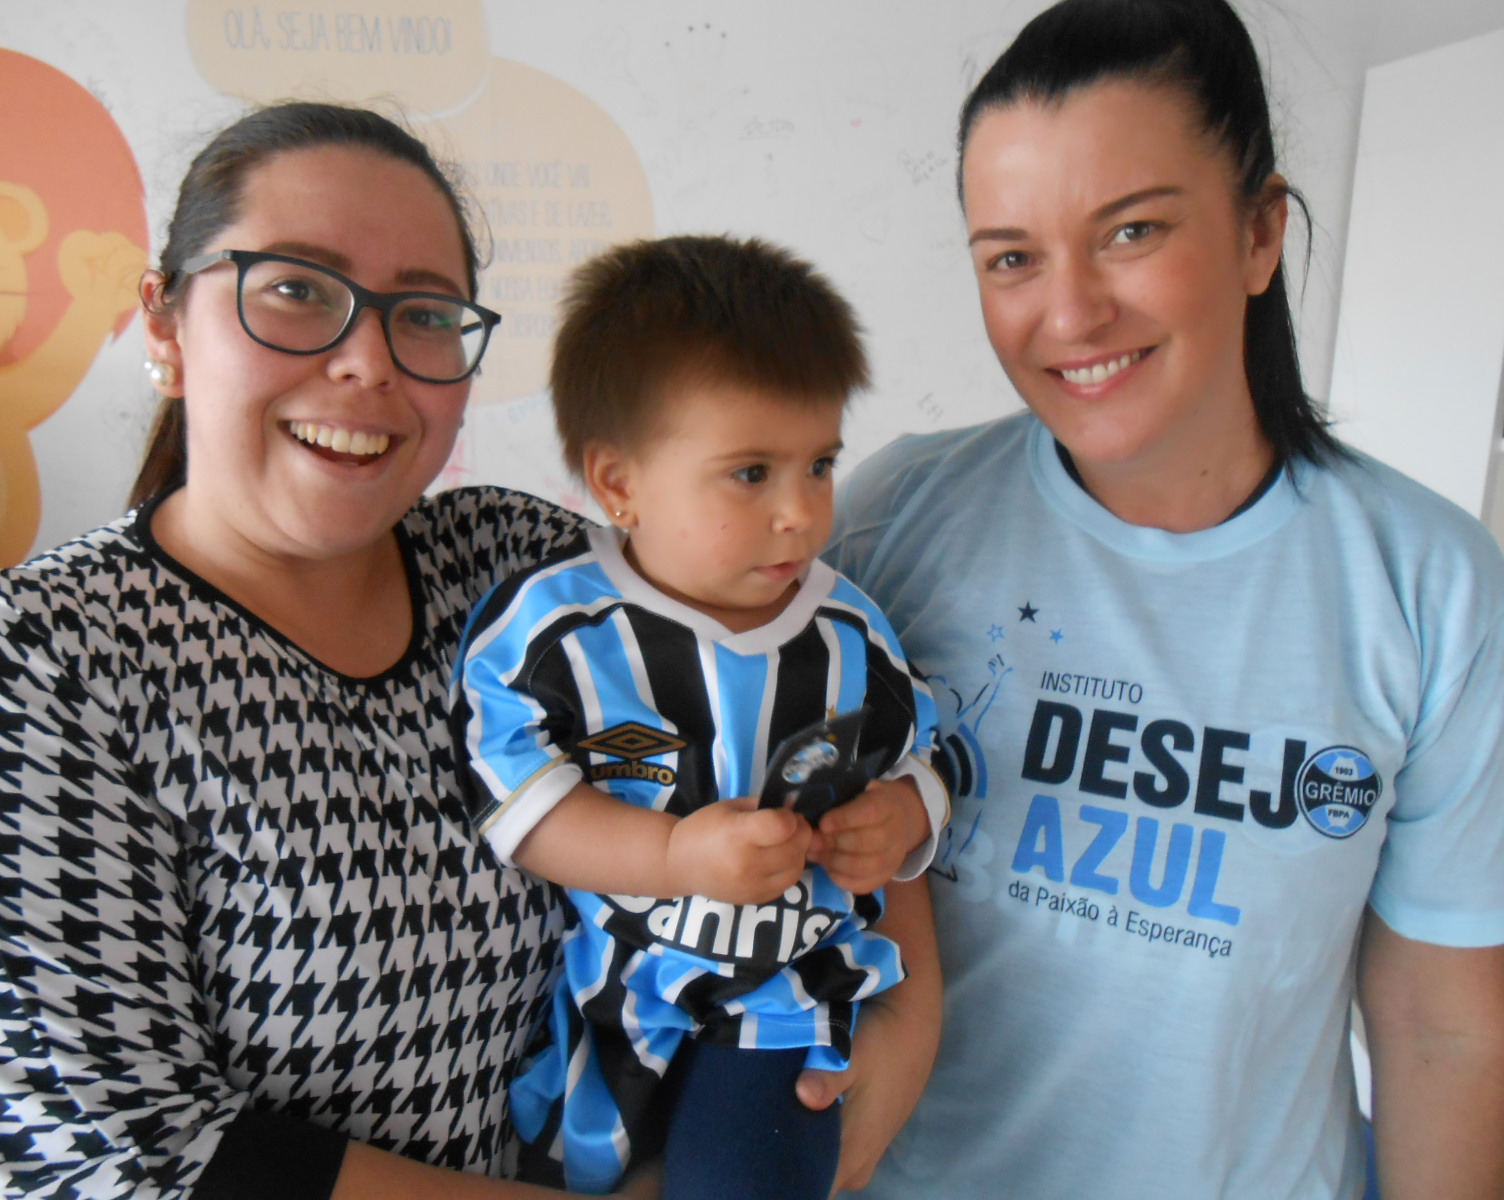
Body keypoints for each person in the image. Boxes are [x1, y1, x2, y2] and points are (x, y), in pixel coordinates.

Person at [823, 1, 1504, 1197]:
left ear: (1258, 233)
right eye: (1011, 258)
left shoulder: (1427, 585)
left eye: (1129, 231)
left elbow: (1438, 1021)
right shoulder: (890, 523)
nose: (1070, 313)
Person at [450, 234, 947, 1200]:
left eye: (819, 464)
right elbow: (515, 798)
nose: (802, 514)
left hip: (780, 995)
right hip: (609, 999)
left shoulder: (849, 630)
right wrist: (673, 860)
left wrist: (907, 816)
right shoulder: (555, 630)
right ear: (619, 483)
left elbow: (929, 751)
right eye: (751, 473)